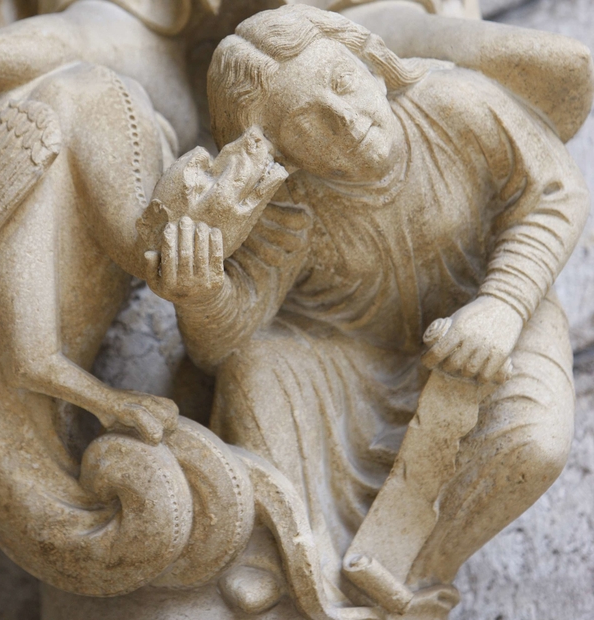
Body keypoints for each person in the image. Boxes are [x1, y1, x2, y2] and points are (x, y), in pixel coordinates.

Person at [143, 5, 590, 616]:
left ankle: (417, 570)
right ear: (277, 149)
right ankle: (294, 556)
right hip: (357, 361)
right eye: (310, 122)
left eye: (345, 83)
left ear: (373, 64)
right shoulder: (289, 203)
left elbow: (553, 192)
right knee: (261, 369)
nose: (347, 120)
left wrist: (504, 304)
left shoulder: (454, 105)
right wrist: (201, 294)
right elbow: (224, 343)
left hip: (492, 314)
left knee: (534, 442)